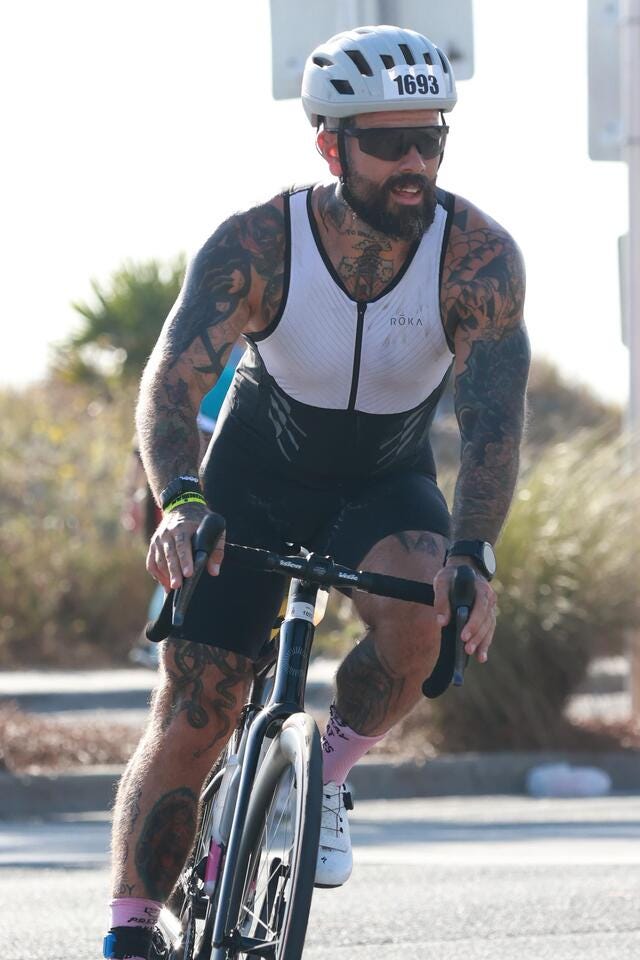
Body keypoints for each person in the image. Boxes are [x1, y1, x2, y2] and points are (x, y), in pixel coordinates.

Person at [104, 24, 529, 960]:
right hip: (253, 479)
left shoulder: (477, 260)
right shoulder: (260, 242)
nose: (414, 163)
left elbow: (495, 420)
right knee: (197, 711)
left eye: (432, 139)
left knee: (424, 605)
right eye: (387, 143)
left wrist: (475, 554)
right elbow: (172, 380)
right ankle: (129, 932)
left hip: (386, 480)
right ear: (331, 145)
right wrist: (179, 502)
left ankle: (320, 774)